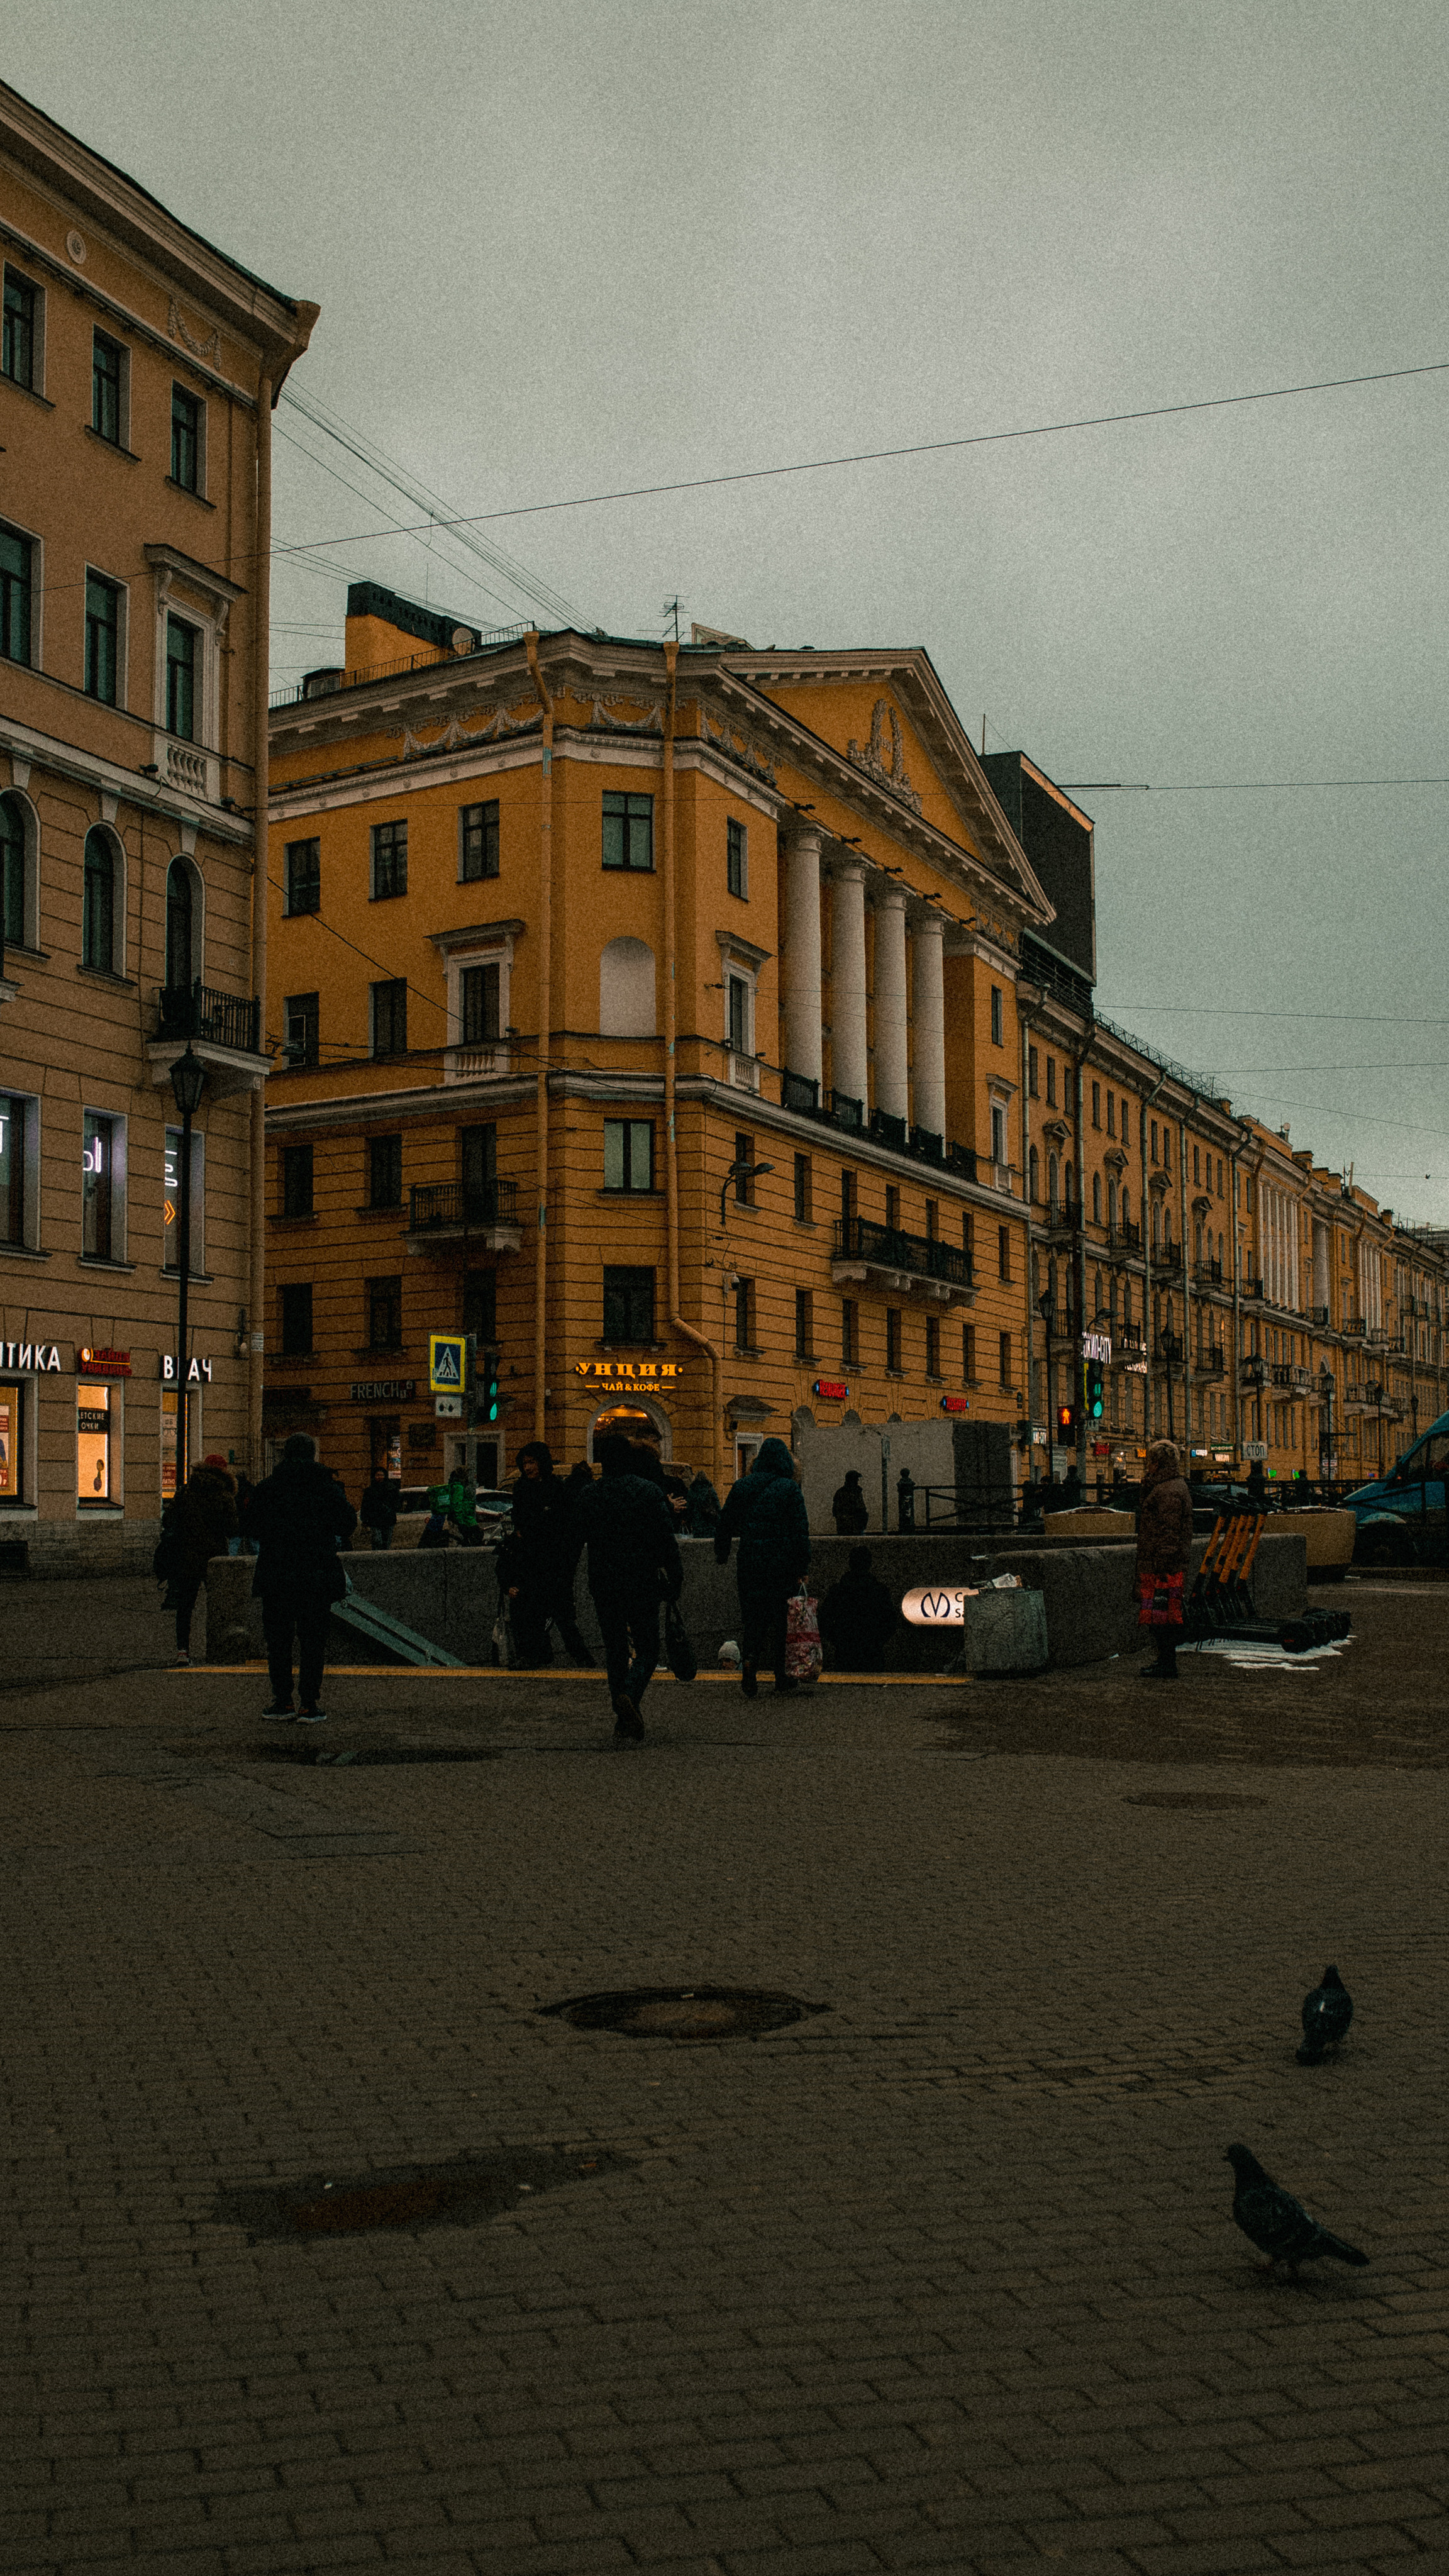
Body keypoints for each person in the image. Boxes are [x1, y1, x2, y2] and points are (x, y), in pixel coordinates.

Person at [566, 1432, 680, 1739]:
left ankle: (623, 1718)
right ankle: (629, 1694)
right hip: (642, 1580)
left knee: (615, 1648)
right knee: (648, 1649)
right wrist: (676, 1577)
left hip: (603, 1581)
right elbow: (666, 1541)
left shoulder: (590, 1494)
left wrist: (566, 1582)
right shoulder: (648, 1491)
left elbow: (573, 1542)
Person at [243, 1435, 357, 1721]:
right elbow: (347, 1524)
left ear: (286, 1455)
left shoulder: (268, 1488)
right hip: (316, 1573)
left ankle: (283, 1702)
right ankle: (309, 1704)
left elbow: (251, 1526)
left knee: (278, 1643)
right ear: (313, 1454)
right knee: (313, 1643)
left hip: (277, 1573)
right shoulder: (327, 1487)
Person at [714, 1436, 811, 1696]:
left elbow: (725, 1523)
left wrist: (722, 1553)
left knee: (753, 1620)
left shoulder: (742, 1486)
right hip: (783, 1566)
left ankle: (749, 1664)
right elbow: (800, 1531)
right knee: (782, 1623)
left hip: (750, 1563)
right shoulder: (790, 1489)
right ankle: (782, 1676)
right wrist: (802, 1567)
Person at [502, 1441, 594, 1667]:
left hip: (555, 1564)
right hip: (531, 1563)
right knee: (531, 1614)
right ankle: (535, 1656)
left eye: (532, 1462)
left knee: (563, 1617)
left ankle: (583, 1660)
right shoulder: (521, 1489)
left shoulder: (557, 1488)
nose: (528, 1468)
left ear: (542, 1463)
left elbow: (565, 1528)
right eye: (525, 1463)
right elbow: (521, 1525)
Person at [166, 1453, 238, 1667]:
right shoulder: (224, 1495)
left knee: (185, 1606)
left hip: (187, 1556)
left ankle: (182, 1651)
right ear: (223, 1471)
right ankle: (219, 1649)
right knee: (219, 1604)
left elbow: (168, 1519)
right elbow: (232, 1529)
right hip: (215, 1558)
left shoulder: (186, 1492)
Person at [1136, 1436, 1193, 1681]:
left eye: (1150, 1462)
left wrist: (1162, 1564)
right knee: (1161, 1616)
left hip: (1162, 1566)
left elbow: (1169, 1532)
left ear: (1157, 1464)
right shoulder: (1171, 1487)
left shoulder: (1168, 1491)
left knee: (1162, 1617)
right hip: (1164, 1563)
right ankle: (1165, 1661)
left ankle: (1167, 1664)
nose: (1148, 1466)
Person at [818, 1545, 897, 1672]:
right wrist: (877, 1641)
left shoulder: (839, 1591)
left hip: (845, 1651)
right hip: (873, 1652)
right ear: (869, 1564)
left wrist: (838, 1641)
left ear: (850, 1563)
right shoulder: (879, 1591)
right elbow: (891, 1622)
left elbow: (824, 1620)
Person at [360, 1467, 401, 1551]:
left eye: (382, 1475)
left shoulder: (391, 1489)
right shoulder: (370, 1490)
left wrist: (391, 1510)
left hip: (388, 1519)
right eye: (378, 1475)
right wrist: (365, 1519)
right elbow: (365, 1505)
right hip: (375, 1519)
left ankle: (385, 1555)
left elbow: (397, 1503)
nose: (380, 1477)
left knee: (386, 1541)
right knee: (377, 1540)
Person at [831, 1468, 869, 1536]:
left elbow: (835, 1512)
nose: (858, 1481)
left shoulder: (842, 1492)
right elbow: (861, 1509)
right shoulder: (853, 1492)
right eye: (856, 1479)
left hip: (850, 1527)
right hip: (852, 1528)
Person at [684, 1469, 721, 1538]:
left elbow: (689, 1508)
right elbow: (717, 1505)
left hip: (697, 1523)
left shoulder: (692, 1491)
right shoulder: (710, 1490)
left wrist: (688, 1521)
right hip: (710, 1522)